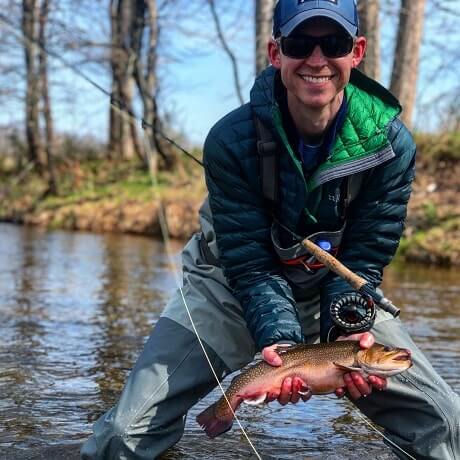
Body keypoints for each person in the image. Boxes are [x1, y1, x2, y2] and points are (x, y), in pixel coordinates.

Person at [81, 0, 460, 459]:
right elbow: (250, 265)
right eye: (300, 43)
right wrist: (281, 348)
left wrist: (347, 329)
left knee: (445, 421)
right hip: (229, 291)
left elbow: (365, 258)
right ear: (275, 52)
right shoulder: (229, 140)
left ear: (356, 52)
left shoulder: (391, 146)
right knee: (123, 434)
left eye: (334, 43)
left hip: (337, 301)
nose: (316, 60)